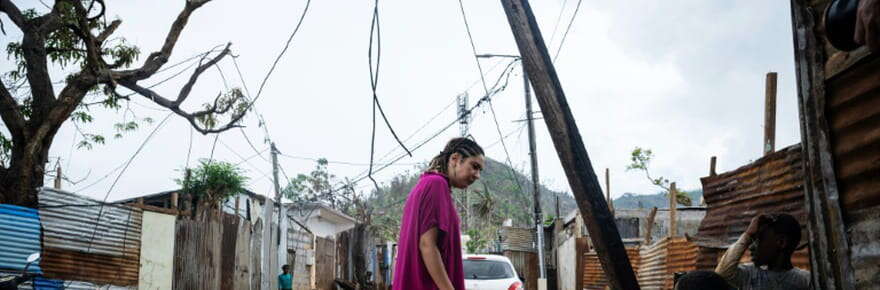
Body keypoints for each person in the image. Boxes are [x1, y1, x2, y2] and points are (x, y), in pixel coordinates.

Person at [391, 137, 485, 290]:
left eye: (480, 170)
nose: (477, 175)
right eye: (474, 166)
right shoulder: (436, 184)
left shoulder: (426, 185)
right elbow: (427, 244)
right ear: (455, 159)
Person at [714, 213, 810, 290]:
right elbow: (722, 273)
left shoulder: (804, 280)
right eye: (752, 239)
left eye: (759, 239)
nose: (751, 247)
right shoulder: (750, 274)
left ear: (781, 242)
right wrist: (747, 235)